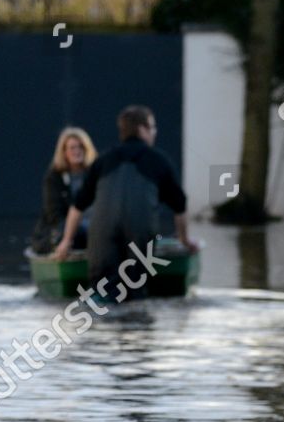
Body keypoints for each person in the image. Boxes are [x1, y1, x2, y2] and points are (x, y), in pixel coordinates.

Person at [52, 105, 198, 292]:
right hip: (140, 234)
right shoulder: (159, 161)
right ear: (142, 129)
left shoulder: (104, 160)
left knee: (102, 294)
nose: (155, 132)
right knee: (134, 292)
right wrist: (184, 240)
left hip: (101, 236)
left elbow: (77, 206)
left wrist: (66, 241)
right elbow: (180, 206)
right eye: (152, 127)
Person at [29, 126, 96, 255]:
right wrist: (67, 236)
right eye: (72, 148)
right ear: (64, 151)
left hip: (94, 226)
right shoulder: (54, 177)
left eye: (80, 147)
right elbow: (54, 213)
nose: (77, 151)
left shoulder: (95, 174)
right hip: (68, 230)